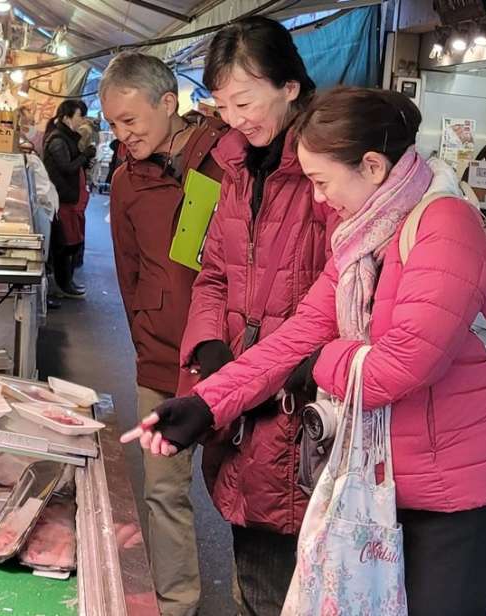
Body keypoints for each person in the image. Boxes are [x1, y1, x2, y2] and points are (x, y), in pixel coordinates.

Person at [123, 86, 486, 616]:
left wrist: (320, 364)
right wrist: (206, 403)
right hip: (381, 485)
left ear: (372, 166)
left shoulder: (446, 225)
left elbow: (402, 364)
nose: (317, 198)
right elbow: (298, 334)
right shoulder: (363, 236)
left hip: (459, 498)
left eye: (321, 181)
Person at [161, 18, 335, 616]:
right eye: (223, 103)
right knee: (254, 572)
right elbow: (212, 271)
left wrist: (287, 372)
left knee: (304, 583)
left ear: (290, 86)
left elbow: (346, 299)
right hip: (240, 403)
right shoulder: (233, 167)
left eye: (245, 100)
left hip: (301, 403)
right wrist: (211, 350)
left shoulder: (324, 170)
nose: (235, 117)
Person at [98, 51, 228, 616]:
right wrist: (147, 336)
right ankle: (177, 603)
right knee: (163, 491)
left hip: (230, 360)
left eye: (131, 122)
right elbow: (127, 273)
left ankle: (264, 600)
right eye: (113, 126)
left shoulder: (226, 162)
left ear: (169, 105)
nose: (123, 135)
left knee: (250, 494)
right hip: (160, 361)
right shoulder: (127, 180)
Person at [41, 100, 94, 299]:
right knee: (63, 245)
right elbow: (67, 167)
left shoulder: (67, 137)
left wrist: (84, 158)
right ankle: (62, 286)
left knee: (67, 243)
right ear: (66, 117)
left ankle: (64, 284)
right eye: (80, 115)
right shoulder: (58, 139)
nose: (82, 120)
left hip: (67, 197)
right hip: (60, 198)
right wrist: (85, 155)